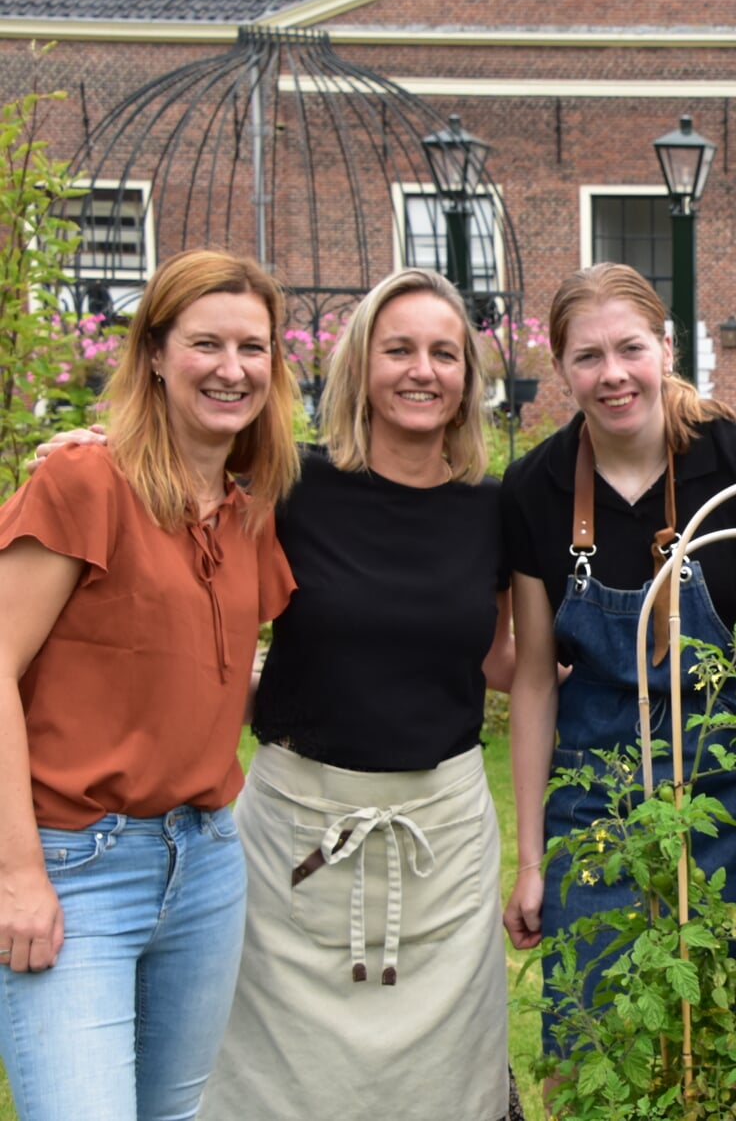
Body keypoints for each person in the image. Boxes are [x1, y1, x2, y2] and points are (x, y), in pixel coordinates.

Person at [501, 263, 736, 1057]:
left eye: (630, 348)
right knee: (594, 1027)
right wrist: (532, 862)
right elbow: (533, 681)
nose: (613, 375)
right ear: (561, 368)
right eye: (587, 357)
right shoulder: (535, 487)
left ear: (665, 348)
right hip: (596, 796)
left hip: (733, 788)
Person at [193, 268, 515, 1120]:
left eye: (445, 354)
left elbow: (508, 660)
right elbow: (168, 474)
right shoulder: (289, 485)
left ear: (469, 381)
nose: (423, 370)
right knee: (273, 1086)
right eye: (399, 349)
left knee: (442, 1091)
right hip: (296, 840)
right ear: (360, 367)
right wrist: (83, 450)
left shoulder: (494, 511)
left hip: (441, 843)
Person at [0, 249, 299, 1121]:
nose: (232, 368)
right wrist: (17, 876)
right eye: (207, 343)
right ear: (157, 354)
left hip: (205, 863)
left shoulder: (249, 514)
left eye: (254, 348)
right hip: (73, 865)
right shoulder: (83, 480)